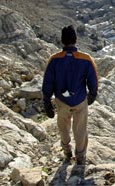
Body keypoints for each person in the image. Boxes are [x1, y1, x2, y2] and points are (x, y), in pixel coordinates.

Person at [42, 25, 99, 164]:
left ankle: (67, 150)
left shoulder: (54, 59)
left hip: (62, 101)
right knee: (80, 129)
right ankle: (80, 156)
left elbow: (48, 82)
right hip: (80, 100)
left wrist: (47, 102)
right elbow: (93, 79)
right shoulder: (86, 59)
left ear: (62, 40)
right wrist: (92, 95)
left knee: (63, 127)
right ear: (76, 39)